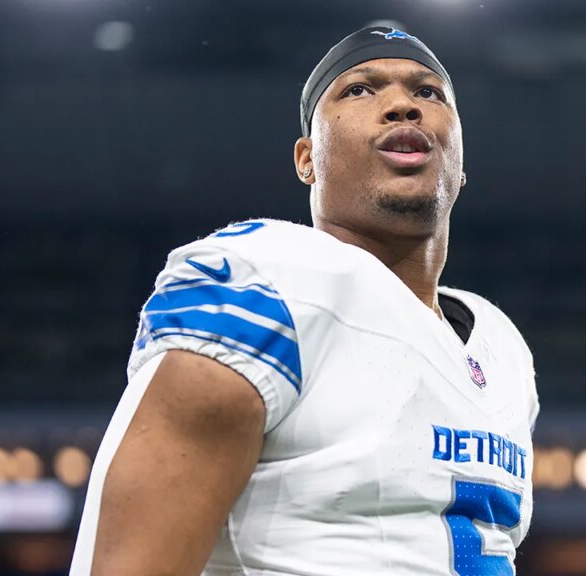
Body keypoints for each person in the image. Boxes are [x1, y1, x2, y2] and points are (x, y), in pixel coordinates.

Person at [70, 25, 540, 576]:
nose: (402, 106)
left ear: (460, 165)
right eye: (360, 90)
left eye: (428, 92)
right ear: (307, 159)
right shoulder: (264, 281)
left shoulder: (503, 349)